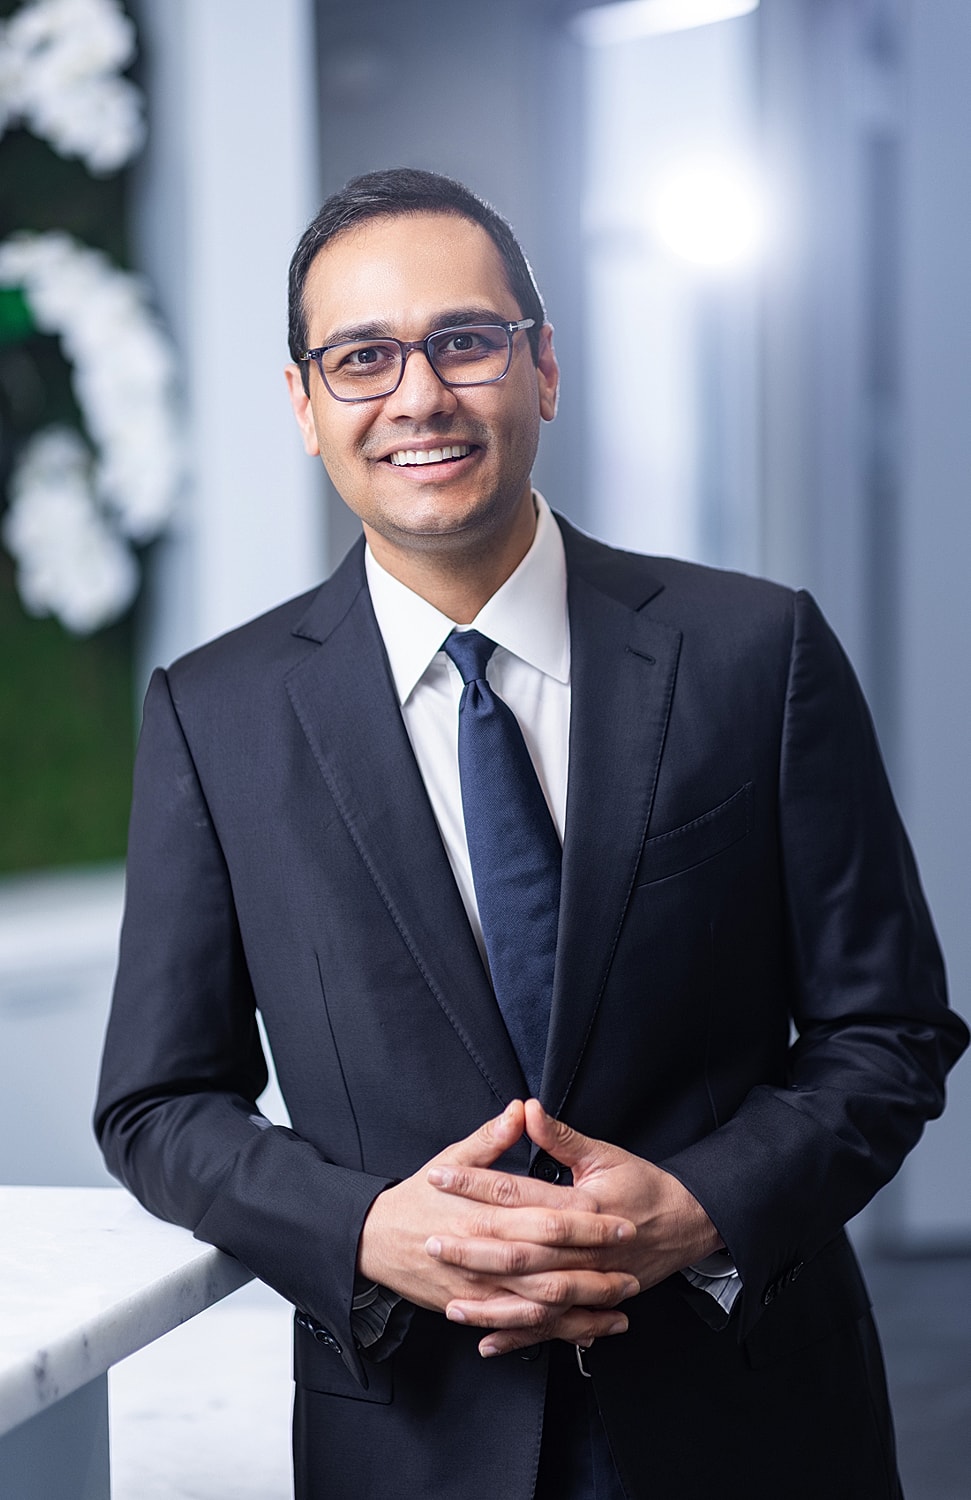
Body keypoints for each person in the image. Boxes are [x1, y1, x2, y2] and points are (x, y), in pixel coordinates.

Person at [96, 167, 968, 1500]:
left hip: (754, 1419)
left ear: (543, 366)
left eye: (464, 341)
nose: (420, 395)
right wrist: (368, 1230)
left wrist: (698, 1210)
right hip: (411, 1430)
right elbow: (158, 1106)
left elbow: (891, 1029)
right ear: (304, 405)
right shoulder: (213, 716)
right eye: (362, 358)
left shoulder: (755, 652)